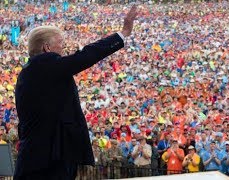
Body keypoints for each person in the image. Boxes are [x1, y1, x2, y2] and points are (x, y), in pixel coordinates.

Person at [13, 5, 138, 180]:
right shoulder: (45, 65)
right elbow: (86, 55)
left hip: (37, 155)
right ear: (47, 48)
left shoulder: (29, 71)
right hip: (48, 159)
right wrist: (123, 33)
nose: (64, 49)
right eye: (60, 44)